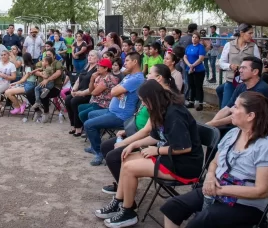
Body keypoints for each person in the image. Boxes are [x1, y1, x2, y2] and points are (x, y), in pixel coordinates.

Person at [161, 92, 268, 228]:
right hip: (216, 189)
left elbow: (262, 191)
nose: (231, 110)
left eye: (236, 107)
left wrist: (221, 190)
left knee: (201, 221)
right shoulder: (233, 133)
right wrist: (210, 177)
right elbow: (214, 162)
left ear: (250, 116)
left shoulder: (267, 146)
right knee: (172, 207)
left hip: (245, 204)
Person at [95, 80, 204, 227]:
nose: (143, 105)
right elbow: (155, 137)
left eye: (144, 101)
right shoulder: (161, 108)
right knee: (126, 159)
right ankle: (119, 202)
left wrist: (157, 150)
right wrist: (132, 144)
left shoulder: (174, 112)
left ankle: (128, 212)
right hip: (170, 156)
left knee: (129, 168)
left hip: (185, 163)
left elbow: (184, 148)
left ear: (152, 98)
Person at [100, 63, 181, 194]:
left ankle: (126, 191)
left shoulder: (162, 99)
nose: (147, 75)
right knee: (107, 147)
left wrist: (128, 142)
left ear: (159, 78)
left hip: (150, 139)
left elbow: (149, 130)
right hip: (141, 133)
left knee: (114, 156)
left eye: (150, 73)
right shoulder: (153, 93)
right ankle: (124, 188)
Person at [84, 52, 145, 166]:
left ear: (135, 62)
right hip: (113, 111)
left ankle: (99, 153)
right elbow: (115, 90)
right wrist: (118, 91)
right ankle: (94, 146)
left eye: (127, 61)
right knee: (91, 114)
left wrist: (117, 91)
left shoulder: (137, 78)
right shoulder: (129, 76)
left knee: (89, 124)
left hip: (121, 115)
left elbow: (113, 91)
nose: (124, 63)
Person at [207, 57, 268, 129]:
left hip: (256, 128)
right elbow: (227, 108)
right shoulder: (241, 86)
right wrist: (211, 124)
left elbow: (243, 115)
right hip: (241, 123)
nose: (240, 70)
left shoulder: (261, 90)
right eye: (240, 68)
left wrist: (214, 124)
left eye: (244, 68)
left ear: (255, 72)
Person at [216, 23, 260, 109]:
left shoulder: (253, 46)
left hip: (247, 83)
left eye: (252, 33)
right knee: (226, 107)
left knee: (244, 108)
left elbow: (258, 64)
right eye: (250, 33)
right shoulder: (229, 45)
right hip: (231, 81)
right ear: (242, 33)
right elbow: (221, 62)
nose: (252, 35)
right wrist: (230, 66)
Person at [65, 50, 99, 135]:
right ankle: (73, 125)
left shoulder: (97, 70)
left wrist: (80, 93)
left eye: (92, 56)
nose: (89, 57)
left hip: (88, 94)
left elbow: (94, 88)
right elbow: (78, 80)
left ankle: (79, 127)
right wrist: (73, 90)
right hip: (79, 91)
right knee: (68, 99)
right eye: (89, 55)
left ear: (97, 58)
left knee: (74, 101)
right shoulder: (86, 66)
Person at [78, 58, 119, 124]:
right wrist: (92, 80)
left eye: (100, 66)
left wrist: (94, 87)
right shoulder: (99, 76)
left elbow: (94, 93)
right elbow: (91, 90)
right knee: (80, 107)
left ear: (106, 68)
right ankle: (87, 126)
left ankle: (90, 127)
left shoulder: (108, 78)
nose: (98, 68)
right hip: (97, 101)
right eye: (98, 66)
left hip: (104, 104)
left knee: (82, 114)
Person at [184, 32, 207, 110]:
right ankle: (191, 102)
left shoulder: (200, 47)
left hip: (199, 70)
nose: (194, 39)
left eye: (196, 37)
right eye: (193, 37)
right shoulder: (188, 47)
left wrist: (193, 65)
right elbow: (185, 57)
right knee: (191, 85)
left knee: (198, 86)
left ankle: (200, 103)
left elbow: (201, 58)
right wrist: (189, 65)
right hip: (189, 69)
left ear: (199, 39)